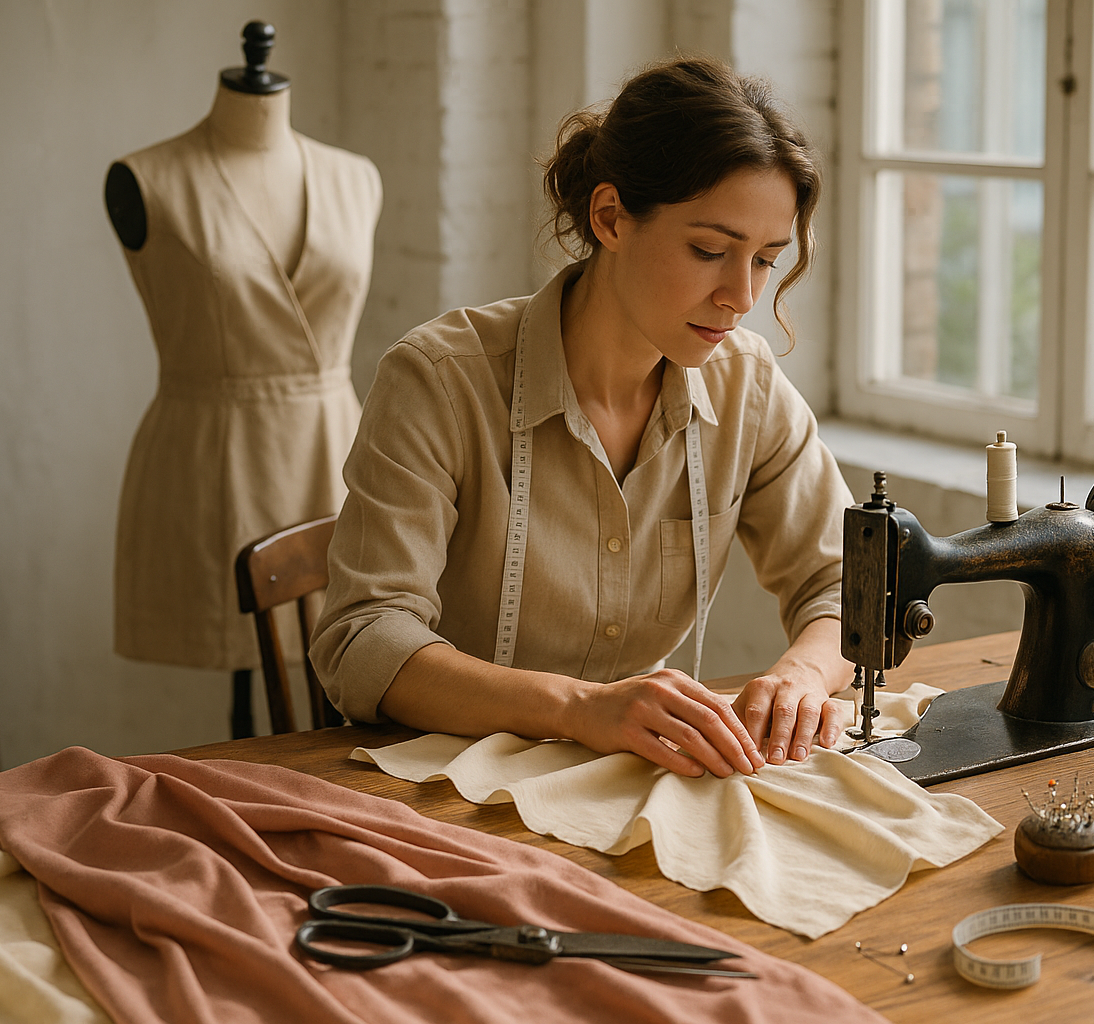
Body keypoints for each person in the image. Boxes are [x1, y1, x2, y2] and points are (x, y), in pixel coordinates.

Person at [309, 57, 854, 780]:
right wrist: (576, 708)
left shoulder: (745, 387)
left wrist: (804, 677)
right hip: (442, 786)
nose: (740, 295)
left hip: (622, 778)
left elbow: (849, 581)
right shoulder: (441, 381)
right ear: (610, 217)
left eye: (765, 260)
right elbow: (362, 638)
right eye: (709, 250)